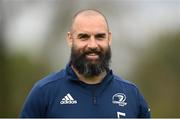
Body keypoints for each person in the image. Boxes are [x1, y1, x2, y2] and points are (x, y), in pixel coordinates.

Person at [20, 9, 151, 118]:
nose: (92, 45)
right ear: (70, 39)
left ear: (109, 38)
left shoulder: (132, 94)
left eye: (100, 36)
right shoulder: (44, 92)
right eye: (84, 37)